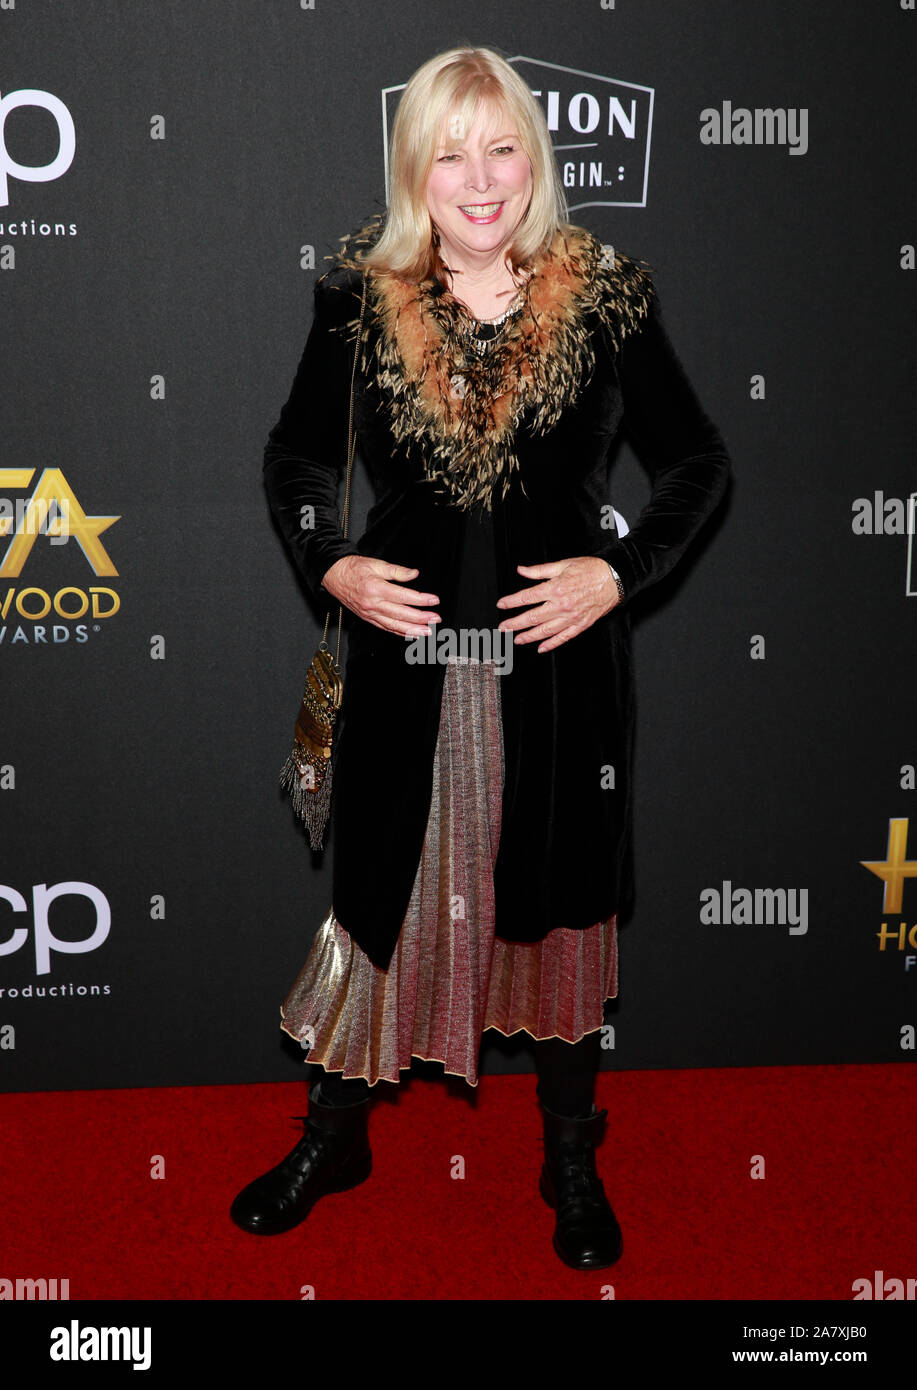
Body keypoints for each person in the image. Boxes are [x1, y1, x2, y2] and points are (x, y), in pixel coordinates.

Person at [231, 44, 731, 1271]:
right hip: (407, 678)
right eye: (449, 151)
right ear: (415, 169)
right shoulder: (359, 295)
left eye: (500, 144)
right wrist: (332, 561)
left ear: (534, 157)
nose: (479, 175)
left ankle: (569, 1156)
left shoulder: (606, 293)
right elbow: (294, 459)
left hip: (557, 684)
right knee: (380, 905)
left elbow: (697, 463)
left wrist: (620, 571)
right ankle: (335, 1133)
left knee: (557, 919)